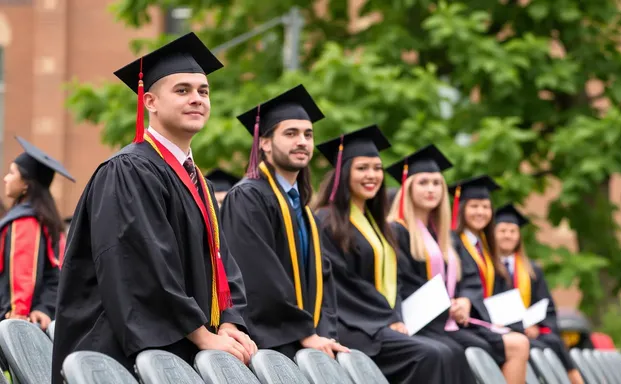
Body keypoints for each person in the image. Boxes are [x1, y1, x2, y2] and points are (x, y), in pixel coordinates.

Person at [51, 32, 253, 382]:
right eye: (182, 90)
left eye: (203, 92)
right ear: (150, 102)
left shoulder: (198, 181)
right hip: (116, 356)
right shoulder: (128, 170)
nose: (197, 99)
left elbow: (222, 260)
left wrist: (230, 321)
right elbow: (141, 265)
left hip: (182, 346)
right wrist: (202, 334)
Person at [314, 125, 457, 384]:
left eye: (377, 168)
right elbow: (342, 283)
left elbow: (395, 282)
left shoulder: (377, 224)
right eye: (362, 168)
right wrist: (387, 318)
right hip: (354, 326)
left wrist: (397, 318)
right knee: (430, 354)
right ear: (343, 173)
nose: (372, 175)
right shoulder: (326, 222)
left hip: (380, 322)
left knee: (447, 352)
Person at [222, 85, 348, 359]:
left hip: (307, 338)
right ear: (264, 143)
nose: (302, 141)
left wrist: (324, 333)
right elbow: (259, 274)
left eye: (308, 134)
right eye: (290, 134)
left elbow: (324, 280)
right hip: (270, 340)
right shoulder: (248, 197)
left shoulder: (303, 208)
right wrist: (304, 333)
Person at [386, 145, 496, 384]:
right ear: (408, 187)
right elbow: (399, 281)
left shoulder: (446, 236)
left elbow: (467, 278)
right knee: (451, 352)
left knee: (481, 347)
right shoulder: (396, 230)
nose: (431, 189)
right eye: (423, 182)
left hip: (444, 321)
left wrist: (464, 301)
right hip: (416, 320)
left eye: (437, 183)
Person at [449, 175, 530, 384]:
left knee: (522, 339)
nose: (480, 212)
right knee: (518, 344)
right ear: (462, 208)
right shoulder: (454, 241)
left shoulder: (485, 247)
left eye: (485, 207)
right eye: (474, 206)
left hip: (486, 319)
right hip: (463, 320)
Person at [494, 204, 584, 384]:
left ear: (519, 236)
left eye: (512, 231)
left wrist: (535, 324)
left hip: (529, 331)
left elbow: (547, 306)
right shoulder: (488, 267)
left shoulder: (531, 270)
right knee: (541, 346)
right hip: (502, 330)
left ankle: (576, 380)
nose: (508, 235)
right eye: (502, 230)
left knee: (553, 340)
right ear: (492, 234)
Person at [0, 137, 73, 330]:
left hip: (14, 317)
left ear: (26, 184)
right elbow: (57, 273)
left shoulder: (25, 220)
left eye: (12, 173)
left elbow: (22, 272)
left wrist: (18, 313)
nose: (6, 178)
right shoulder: (47, 220)